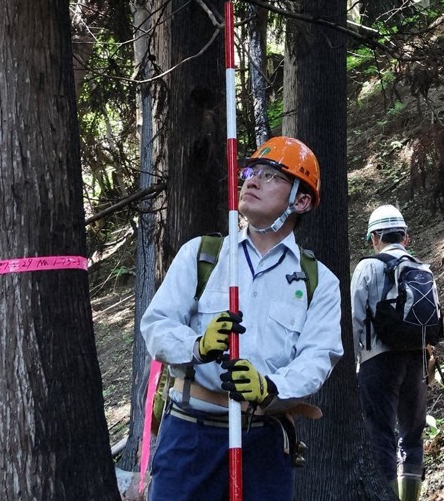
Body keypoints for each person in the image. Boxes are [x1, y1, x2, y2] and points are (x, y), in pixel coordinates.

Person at [141, 136, 343, 500]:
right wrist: (197, 346)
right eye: (252, 171)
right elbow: (156, 325)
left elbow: (319, 357)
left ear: (301, 200)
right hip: (190, 437)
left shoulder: (319, 282)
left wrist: (271, 388)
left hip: (264, 441)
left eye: (271, 176)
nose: (251, 180)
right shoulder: (203, 256)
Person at [351, 205, 428, 501]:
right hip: (416, 358)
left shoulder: (367, 267)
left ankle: (386, 497)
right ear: (405, 237)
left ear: (374, 237)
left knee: (381, 433)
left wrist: (353, 362)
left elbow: (355, 318)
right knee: (412, 433)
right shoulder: (421, 267)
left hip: (378, 360)